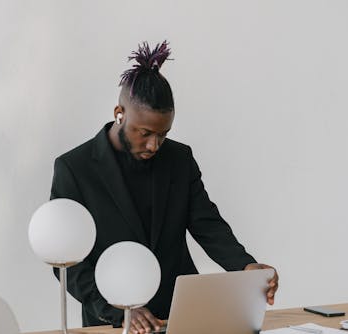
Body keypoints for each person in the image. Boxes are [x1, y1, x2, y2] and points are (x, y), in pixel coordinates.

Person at [50, 41, 279, 334]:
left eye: (163, 134)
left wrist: (246, 267)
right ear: (120, 112)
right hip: (113, 323)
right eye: (144, 133)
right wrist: (116, 311)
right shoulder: (74, 168)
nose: (154, 145)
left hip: (182, 315)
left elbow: (208, 224)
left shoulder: (179, 159)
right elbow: (66, 262)